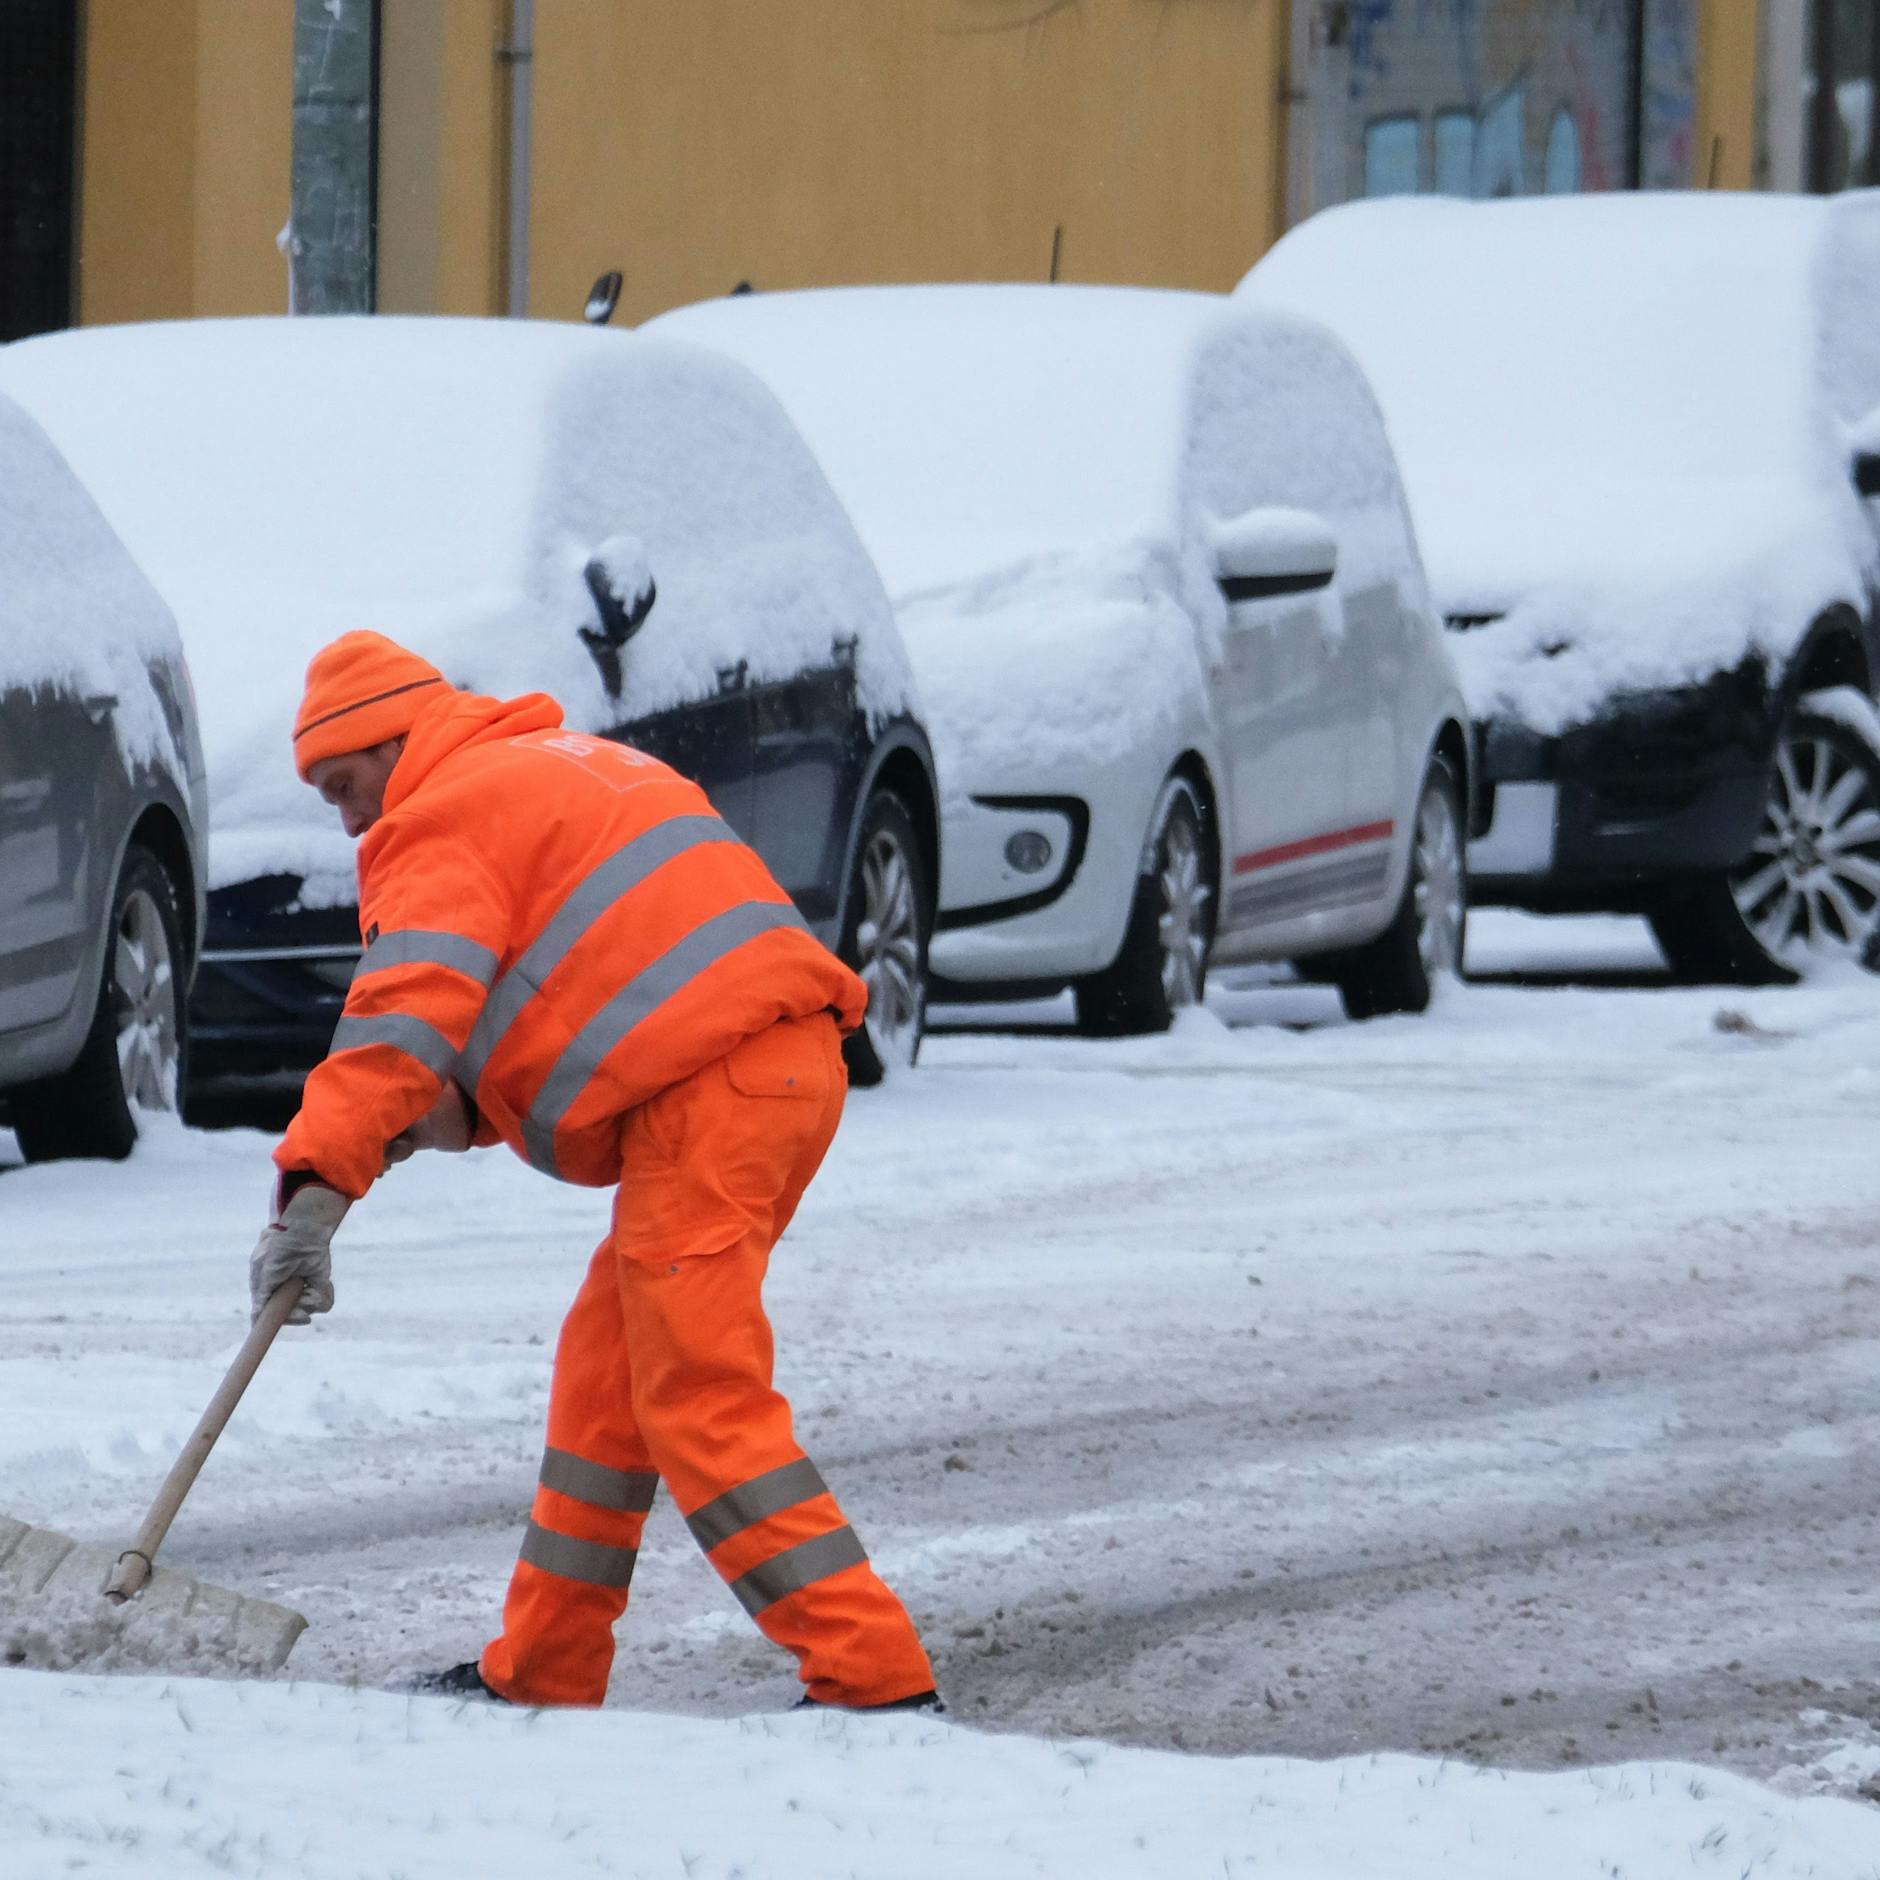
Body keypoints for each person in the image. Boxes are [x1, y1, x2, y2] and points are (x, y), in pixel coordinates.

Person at [250, 629, 938, 1713]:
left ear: (395, 742)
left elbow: (400, 1013)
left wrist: (314, 1183)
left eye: (346, 783)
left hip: (711, 1094)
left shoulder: (438, 815)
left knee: (697, 1398)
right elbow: (589, 992)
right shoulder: (563, 763)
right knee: (604, 1386)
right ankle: (546, 1668)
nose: (347, 819)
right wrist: (441, 1118)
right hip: (763, 1074)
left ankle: (873, 1682)